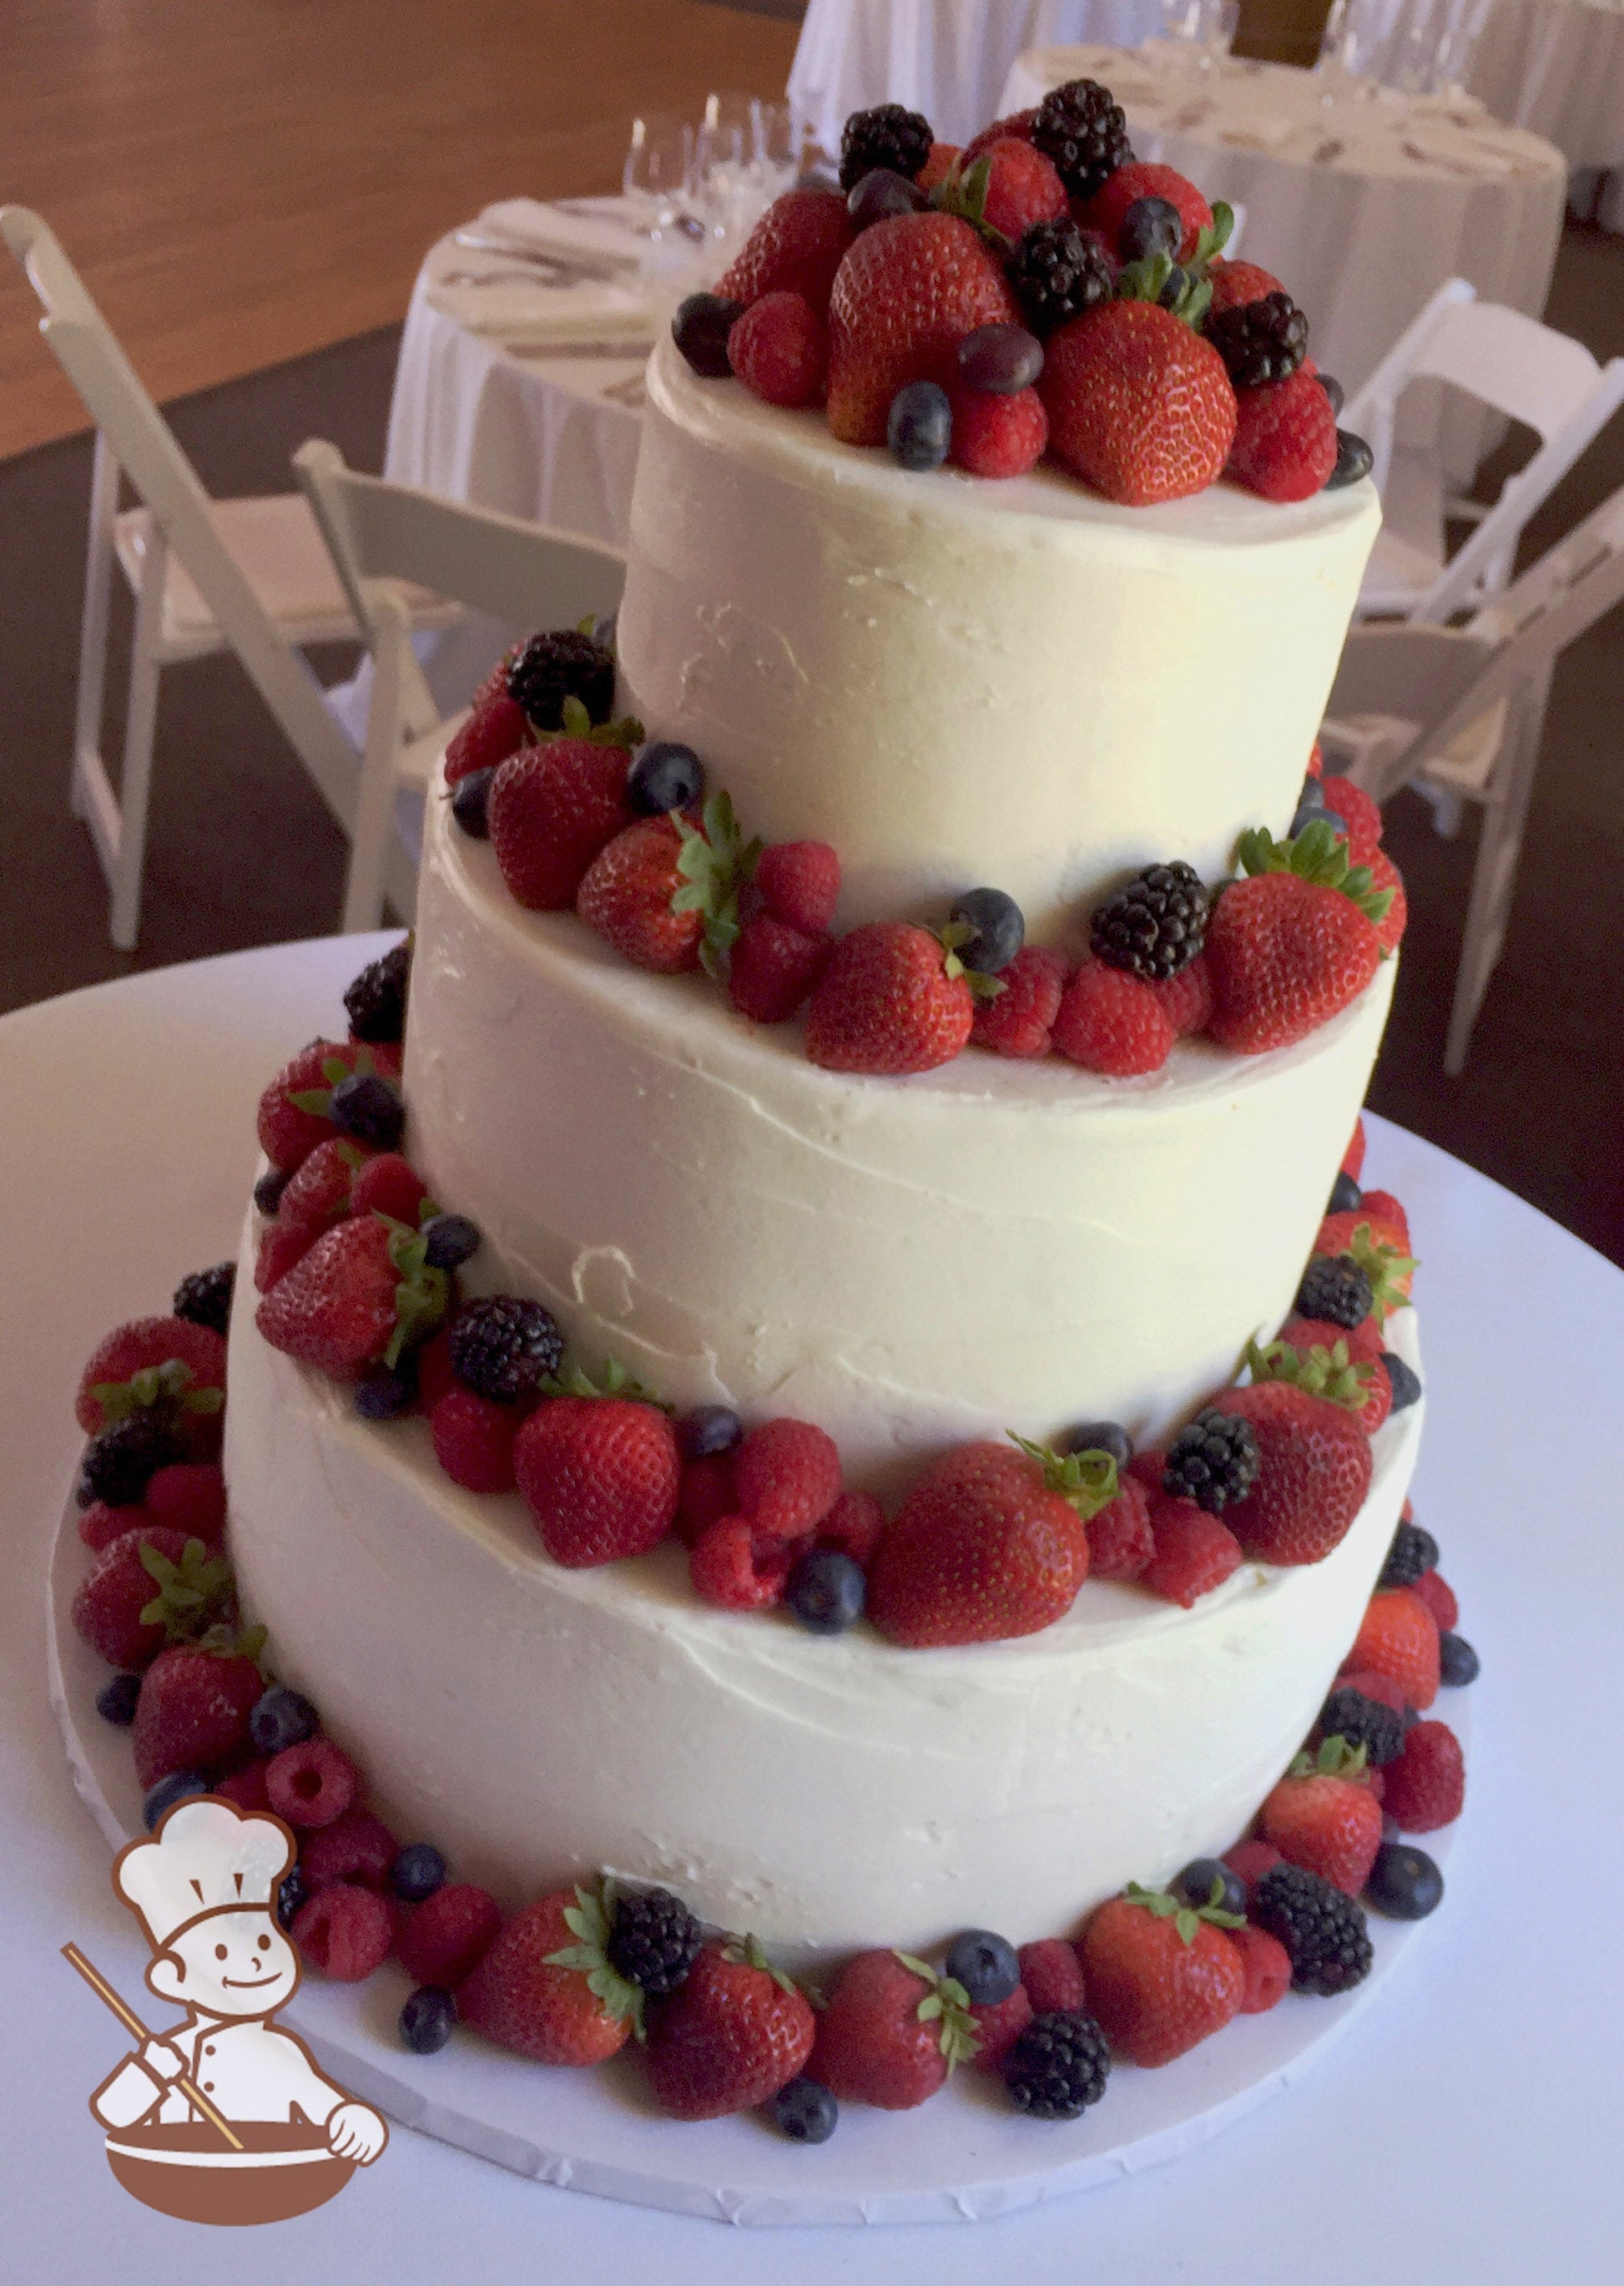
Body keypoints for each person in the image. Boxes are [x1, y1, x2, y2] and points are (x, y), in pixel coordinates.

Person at [89, 1794, 386, 2163]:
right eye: (221, 1953)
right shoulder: (177, 2051)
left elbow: (328, 2107)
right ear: (174, 1981)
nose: (256, 1965)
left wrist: (354, 2121)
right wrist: (151, 2071)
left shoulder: (281, 2055)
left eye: (265, 1945)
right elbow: (114, 2112)